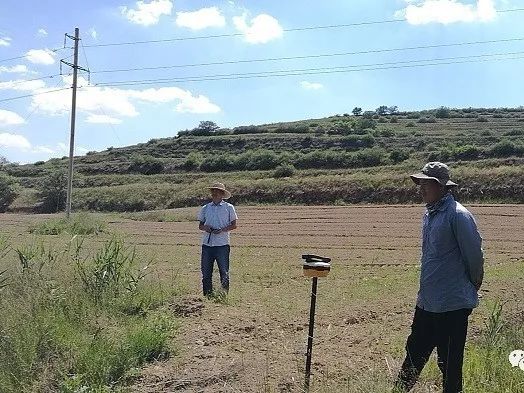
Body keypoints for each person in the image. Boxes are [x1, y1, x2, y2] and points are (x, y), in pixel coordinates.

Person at [394, 162, 484, 393]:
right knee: (413, 354)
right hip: (427, 303)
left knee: (450, 365)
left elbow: (474, 257)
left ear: (442, 186)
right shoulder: (430, 214)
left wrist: (471, 288)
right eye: (420, 183)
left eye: (427, 183)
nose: (421, 188)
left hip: (452, 306)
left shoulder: (458, 216)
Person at [197, 182, 238, 297]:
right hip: (207, 245)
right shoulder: (206, 208)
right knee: (206, 273)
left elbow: (234, 225)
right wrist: (207, 228)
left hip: (222, 244)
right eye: (213, 191)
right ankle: (207, 297)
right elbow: (200, 225)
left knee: (224, 272)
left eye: (217, 191)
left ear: (222, 194)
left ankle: (224, 296)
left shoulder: (229, 208)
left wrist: (222, 230)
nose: (214, 193)